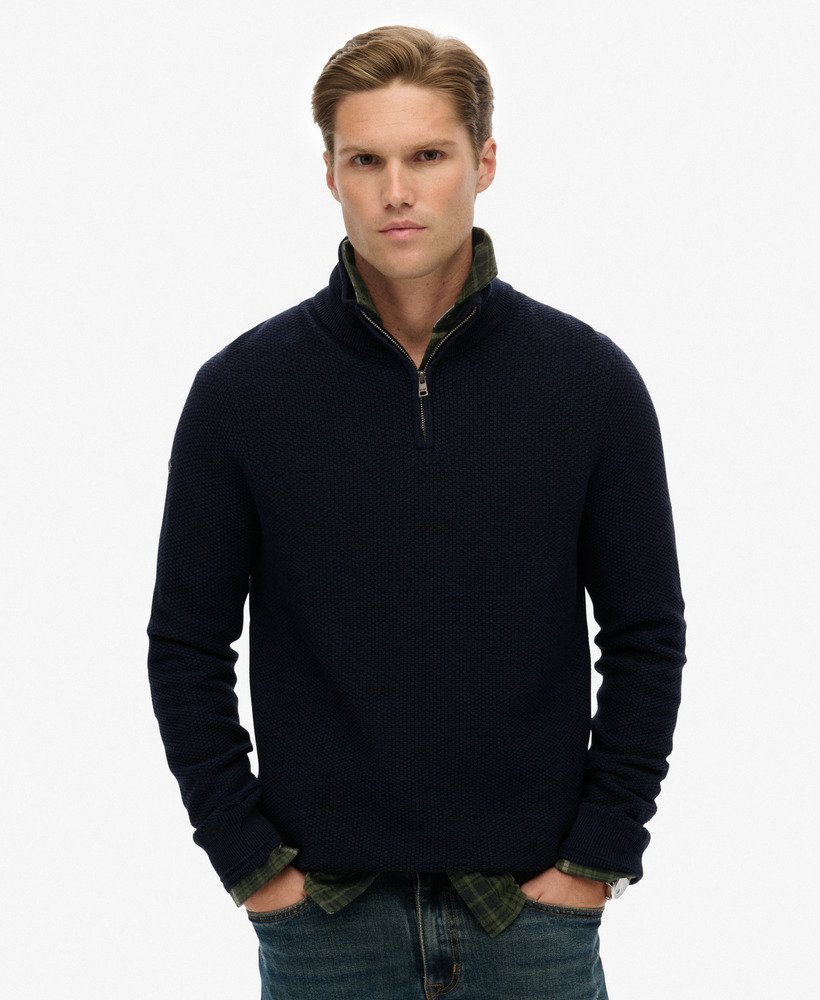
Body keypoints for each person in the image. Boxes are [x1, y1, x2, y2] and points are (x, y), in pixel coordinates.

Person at [146, 24, 687, 1000]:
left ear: (484, 163)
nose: (396, 190)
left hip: (532, 919)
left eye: (428, 156)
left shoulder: (588, 384)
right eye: (367, 160)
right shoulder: (243, 394)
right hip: (327, 923)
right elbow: (186, 643)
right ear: (330, 173)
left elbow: (646, 633)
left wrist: (600, 854)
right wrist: (250, 861)